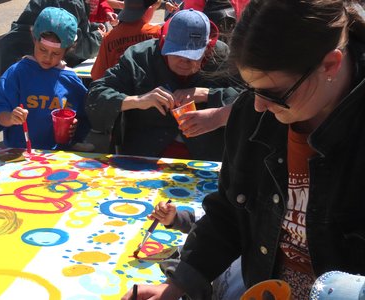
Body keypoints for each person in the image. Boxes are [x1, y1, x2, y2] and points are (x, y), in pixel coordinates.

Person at [121, 0, 365, 299]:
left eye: (273, 93)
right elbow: (229, 210)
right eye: (251, 88)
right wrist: (179, 285)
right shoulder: (254, 110)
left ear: (331, 64)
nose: (259, 106)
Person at [86, 9, 238, 161]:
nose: (185, 62)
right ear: (164, 42)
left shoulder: (221, 56)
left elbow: (251, 99)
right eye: (178, 54)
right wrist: (138, 101)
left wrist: (206, 95)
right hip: (144, 155)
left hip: (206, 157)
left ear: (208, 49)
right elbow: (95, 97)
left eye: (194, 56)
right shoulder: (139, 57)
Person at [0, 7, 91, 151]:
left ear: (68, 50)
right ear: (34, 39)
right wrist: (10, 117)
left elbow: (85, 116)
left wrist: (75, 127)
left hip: (57, 157)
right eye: (42, 50)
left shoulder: (71, 80)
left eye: (56, 53)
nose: (48, 57)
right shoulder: (17, 73)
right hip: (19, 154)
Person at [0, 0, 105, 96]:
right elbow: (74, 45)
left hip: (21, 56)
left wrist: (94, 28)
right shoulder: (70, 2)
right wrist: (98, 38)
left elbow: (75, 29)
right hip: (24, 63)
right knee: (16, 109)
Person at [90, 0, 162, 81]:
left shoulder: (109, 37)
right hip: (150, 89)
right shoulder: (157, 33)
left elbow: (97, 75)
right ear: (149, 9)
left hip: (119, 89)